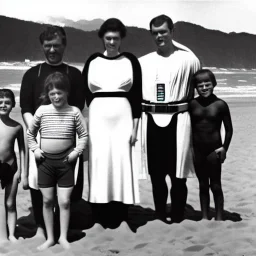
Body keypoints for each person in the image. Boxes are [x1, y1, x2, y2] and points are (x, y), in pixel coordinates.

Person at [20, 25, 85, 237]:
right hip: (39, 135)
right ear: (42, 47)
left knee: (69, 184)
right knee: (40, 185)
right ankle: (41, 226)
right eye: (48, 46)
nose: (52, 50)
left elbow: (78, 106)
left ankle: (65, 225)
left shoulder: (74, 74)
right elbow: (26, 108)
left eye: (56, 45)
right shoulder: (31, 74)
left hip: (68, 136)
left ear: (64, 46)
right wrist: (34, 129)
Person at [139, 14, 201, 223]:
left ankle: (177, 215)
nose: (159, 36)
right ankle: (158, 213)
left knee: (178, 173)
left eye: (164, 31)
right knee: (156, 174)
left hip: (179, 119)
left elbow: (200, 88)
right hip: (151, 120)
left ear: (172, 32)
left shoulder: (189, 60)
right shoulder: (143, 62)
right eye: (155, 33)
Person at [82, 18, 142, 222]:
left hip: (123, 118)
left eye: (115, 38)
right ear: (102, 38)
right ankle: (98, 212)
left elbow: (137, 96)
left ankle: (120, 212)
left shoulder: (130, 61)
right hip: (97, 118)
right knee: (99, 161)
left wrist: (135, 127)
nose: (112, 42)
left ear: (121, 38)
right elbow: (85, 95)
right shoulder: (93, 61)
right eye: (108, 38)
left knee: (121, 162)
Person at [27, 72, 88, 250]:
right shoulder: (42, 111)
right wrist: (36, 149)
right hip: (45, 163)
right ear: (48, 94)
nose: (56, 96)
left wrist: (77, 152)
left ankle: (63, 237)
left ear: (66, 92)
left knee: (64, 201)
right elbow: (30, 134)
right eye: (52, 93)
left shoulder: (74, 112)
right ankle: (50, 238)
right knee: (47, 201)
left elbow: (83, 135)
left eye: (59, 93)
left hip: (66, 163)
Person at [189, 69, 233, 220]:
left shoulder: (220, 105)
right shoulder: (192, 104)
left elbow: (228, 129)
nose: (204, 87)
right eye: (200, 85)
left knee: (215, 185)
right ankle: (204, 216)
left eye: (207, 84)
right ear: (195, 87)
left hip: (214, 150)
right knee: (202, 185)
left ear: (214, 84)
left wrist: (224, 148)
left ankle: (219, 216)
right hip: (197, 150)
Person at [0, 89, 25, 242]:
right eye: (0, 102)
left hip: (11, 167)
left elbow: (22, 150)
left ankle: (11, 234)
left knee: (10, 203)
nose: (3, 105)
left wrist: (21, 171)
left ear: (13, 105)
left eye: (7, 103)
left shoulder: (17, 127)